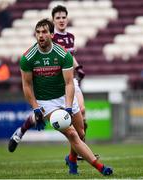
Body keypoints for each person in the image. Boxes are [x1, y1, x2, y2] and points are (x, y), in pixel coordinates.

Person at [8, 18, 113, 176]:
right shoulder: (28, 58)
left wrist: (69, 106)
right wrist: (36, 109)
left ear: (51, 34)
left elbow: (69, 83)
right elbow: (27, 86)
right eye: (38, 32)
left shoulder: (63, 54)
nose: (41, 35)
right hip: (46, 102)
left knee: (81, 133)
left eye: (44, 32)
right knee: (71, 133)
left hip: (65, 97)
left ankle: (72, 159)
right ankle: (101, 168)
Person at [51, 5, 99, 160]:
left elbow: (69, 56)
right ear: (53, 20)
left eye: (63, 17)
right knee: (72, 120)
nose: (61, 20)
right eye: (58, 18)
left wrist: (78, 67)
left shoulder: (71, 37)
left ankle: (76, 154)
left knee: (83, 113)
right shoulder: (51, 39)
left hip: (72, 80)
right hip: (60, 84)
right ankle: (77, 153)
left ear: (67, 18)